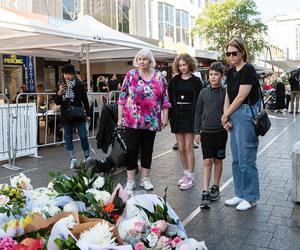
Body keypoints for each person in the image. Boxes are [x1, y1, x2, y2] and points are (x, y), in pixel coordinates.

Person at [117, 49, 170, 192]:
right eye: (139, 59)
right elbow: (122, 97)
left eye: (144, 59)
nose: (141, 61)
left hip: (151, 119)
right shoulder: (131, 75)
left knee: (147, 149)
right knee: (132, 149)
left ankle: (145, 179)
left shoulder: (159, 77)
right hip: (131, 119)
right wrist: (119, 118)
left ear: (150, 61)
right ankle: (130, 180)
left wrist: (165, 116)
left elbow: (165, 98)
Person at [221, 38, 260, 211]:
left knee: (246, 159)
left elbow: (241, 96)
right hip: (233, 114)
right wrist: (226, 115)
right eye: (228, 53)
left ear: (242, 52)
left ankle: (250, 197)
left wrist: (226, 114)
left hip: (245, 113)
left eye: (234, 53)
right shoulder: (230, 72)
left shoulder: (248, 69)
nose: (230, 56)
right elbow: (228, 95)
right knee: (236, 159)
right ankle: (240, 194)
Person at [194, 62, 227, 208]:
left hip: (220, 132)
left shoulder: (225, 92)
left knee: (218, 160)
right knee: (207, 161)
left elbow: (228, 111)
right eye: (211, 74)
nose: (213, 77)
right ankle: (205, 191)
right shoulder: (203, 92)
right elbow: (198, 112)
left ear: (222, 76)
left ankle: (216, 187)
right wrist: (196, 131)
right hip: (206, 132)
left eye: (216, 74)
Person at [168, 54, 203, 190]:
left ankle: (191, 177)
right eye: (180, 65)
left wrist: (198, 122)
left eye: (185, 65)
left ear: (190, 65)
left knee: (189, 147)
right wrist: (168, 117)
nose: (183, 67)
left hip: (190, 118)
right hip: (178, 117)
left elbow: (199, 102)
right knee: (181, 148)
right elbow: (170, 100)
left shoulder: (196, 81)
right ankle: (185, 173)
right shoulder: (173, 81)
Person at [55, 63, 91, 169]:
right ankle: (73, 159)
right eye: (65, 74)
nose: (67, 76)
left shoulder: (79, 84)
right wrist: (59, 92)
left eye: (69, 74)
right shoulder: (60, 85)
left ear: (74, 75)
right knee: (68, 137)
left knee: (83, 136)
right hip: (66, 115)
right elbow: (57, 102)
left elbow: (85, 100)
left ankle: (87, 157)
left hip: (78, 114)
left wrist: (88, 114)